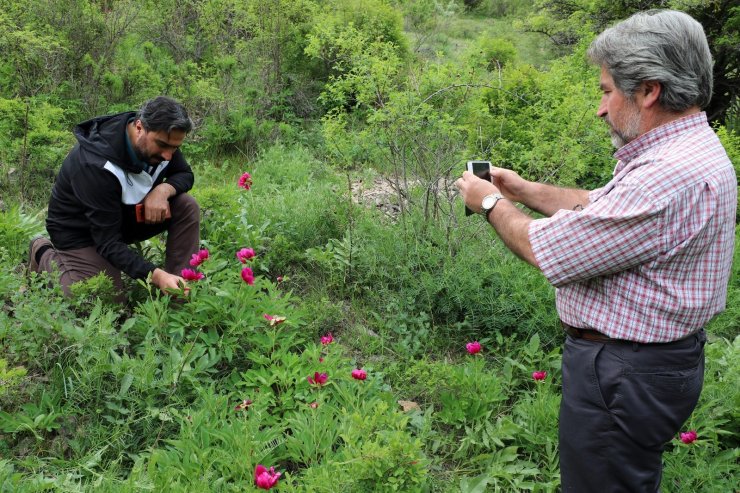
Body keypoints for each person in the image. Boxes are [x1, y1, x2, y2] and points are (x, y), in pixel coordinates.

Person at [456, 10, 736, 493]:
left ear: (649, 91)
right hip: (651, 366)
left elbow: (546, 249)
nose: (601, 108)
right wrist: (523, 190)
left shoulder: (665, 174)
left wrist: (488, 202)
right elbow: (601, 209)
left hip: (625, 374)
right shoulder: (689, 150)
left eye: (607, 91)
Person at [29, 96, 201, 302]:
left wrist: (163, 190)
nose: (168, 156)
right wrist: (156, 275)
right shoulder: (95, 164)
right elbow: (108, 242)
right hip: (80, 232)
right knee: (105, 297)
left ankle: (179, 292)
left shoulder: (164, 141)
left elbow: (185, 174)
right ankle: (43, 253)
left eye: (175, 148)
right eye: (163, 145)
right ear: (139, 127)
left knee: (186, 205)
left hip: (121, 219)